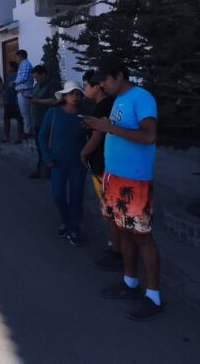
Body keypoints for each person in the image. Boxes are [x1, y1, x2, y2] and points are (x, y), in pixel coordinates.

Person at [84, 59, 162, 321]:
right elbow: (119, 131)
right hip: (114, 177)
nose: (102, 85)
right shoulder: (118, 98)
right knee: (123, 230)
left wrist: (109, 128)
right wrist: (101, 126)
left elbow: (149, 136)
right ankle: (130, 282)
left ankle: (154, 296)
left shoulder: (142, 98)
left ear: (120, 75)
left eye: (105, 80)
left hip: (134, 181)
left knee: (142, 236)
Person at [38, 81, 90, 245]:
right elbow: (42, 136)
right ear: (65, 96)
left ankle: (74, 227)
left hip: (78, 163)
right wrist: (46, 157)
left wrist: (87, 155)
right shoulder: (53, 113)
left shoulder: (84, 116)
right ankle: (65, 219)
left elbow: (91, 138)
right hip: (57, 162)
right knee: (58, 194)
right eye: (71, 93)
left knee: (76, 196)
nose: (74, 97)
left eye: (77, 94)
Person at [81, 70, 120, 272]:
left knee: (109, 210)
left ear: (96, 87)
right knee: (109, 210)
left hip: (103, 165)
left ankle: (117, 252)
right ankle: (116, 247)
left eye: (86, 85)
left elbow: (98, 135)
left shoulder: (104, 105)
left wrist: (83, 153)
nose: (84, 89)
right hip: (105, 163)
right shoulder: (104, 105)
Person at [29, 65, 59, 179]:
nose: (36, 80)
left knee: (49, 147)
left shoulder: (53, 85)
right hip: (37, 121)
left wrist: (37, 101)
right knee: (40, 147)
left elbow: (56, 100)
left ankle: (50, 171)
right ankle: (40, 170)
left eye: (37, 77)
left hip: (49, 122)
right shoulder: (37, 86)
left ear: (44, 75)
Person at [0, 61, 24, 143]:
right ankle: (7, 137)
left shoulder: (18, 77)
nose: (7, 68)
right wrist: (4, 98)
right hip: (8, 101)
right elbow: (5, 88)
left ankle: (19, 138)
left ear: (12, 68)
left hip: (16, 102)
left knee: (19, 120)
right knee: (6, 119)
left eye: (8, 66)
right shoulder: (7, 77)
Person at [13, 50, 35, 138]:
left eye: (17, 57)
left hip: (24, 91)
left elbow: (24, 77)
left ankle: (28, 131)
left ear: (20, 56)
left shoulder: (25, 64)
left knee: (26, 113)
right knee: (27, 113)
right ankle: (29, 131)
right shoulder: (23, 64)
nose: (16, 59)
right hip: (23, 91)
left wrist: (14, 82)